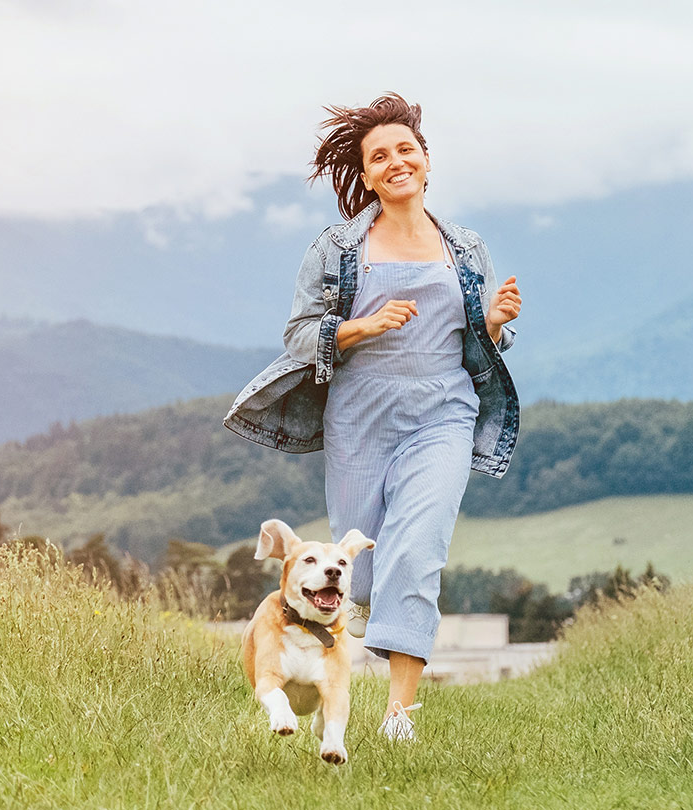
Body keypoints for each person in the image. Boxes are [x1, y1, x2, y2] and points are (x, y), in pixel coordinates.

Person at [223, 92, 523, 742]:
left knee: (416, 553)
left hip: (443, 415)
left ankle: (399, 715)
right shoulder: (337, 248)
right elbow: (301, 335)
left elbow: (481, 344)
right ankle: (361, 607)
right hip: (359, 421)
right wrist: (361, 326)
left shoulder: (466, 249)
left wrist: (494, 325)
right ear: (365, 175)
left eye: (405, 150)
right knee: (359, 566)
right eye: (379, 156)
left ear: (426, 161)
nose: (395, 162)